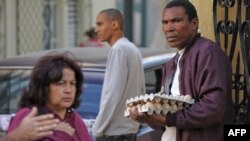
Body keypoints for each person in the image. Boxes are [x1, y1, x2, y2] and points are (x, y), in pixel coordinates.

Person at [129, 0, 234, 141]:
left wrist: (169, 119)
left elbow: (213, 107)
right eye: (165, 22)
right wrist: (148, 117)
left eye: (176, 21)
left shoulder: (208, 52)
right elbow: (167, 116)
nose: (169, 28)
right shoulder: (171, 63)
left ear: (194, 24)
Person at [7, 53, 92, 141]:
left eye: (72, 83)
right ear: (44, 87)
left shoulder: (74, 118)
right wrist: (63, 136)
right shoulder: (29, 116)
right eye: (60, 83)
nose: (68, 90)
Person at [92, 8, 145, 141]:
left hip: (116, 134)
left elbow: (112, 94)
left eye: (100, 24)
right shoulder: (132, 48)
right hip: (130, 130)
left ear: (114, 25)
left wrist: (97, 129)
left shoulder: (118, 50)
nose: (96, 30)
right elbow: (142, 90)